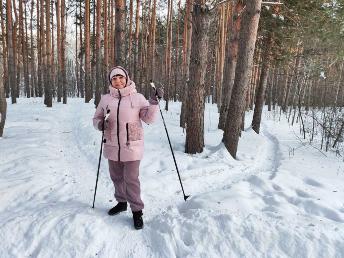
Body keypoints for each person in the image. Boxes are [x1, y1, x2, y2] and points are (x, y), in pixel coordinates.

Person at [93, 66, 163, 230]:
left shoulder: (137, 97)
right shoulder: (105, 99)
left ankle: (137, 211)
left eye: (120, 78)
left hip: (132, 145)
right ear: (111, 82)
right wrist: (100, 124)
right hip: (111, 145)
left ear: (127, 78)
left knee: (131, 179)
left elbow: (149, 119)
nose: (118, 81)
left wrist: (154, 102)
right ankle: (121, 202)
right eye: (114, 79)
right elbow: (96, 118)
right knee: (116, 177)